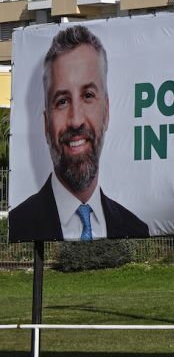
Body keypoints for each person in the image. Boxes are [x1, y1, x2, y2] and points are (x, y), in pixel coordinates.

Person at [8, 25, 148, 242]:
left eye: (88, 96)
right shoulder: (18, 225)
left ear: (107, 112)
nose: (75, 120)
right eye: (62, 101)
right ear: (46, 124)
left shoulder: (136, 227)